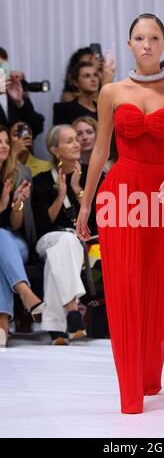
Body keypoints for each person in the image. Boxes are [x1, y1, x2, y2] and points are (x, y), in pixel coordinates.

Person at [76, 13, 164, 414]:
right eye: (139, 38)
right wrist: (86, 202)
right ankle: (130, 394)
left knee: (158, 285)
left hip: (163, 197)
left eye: (154, 38)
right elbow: (99, 151)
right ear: (130, 44)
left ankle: (148, 376)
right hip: (120, 194)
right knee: (124, 285)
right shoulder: (111, 91)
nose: (146, 44)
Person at [32, 125, 101, 345]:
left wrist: (78, 189)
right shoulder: (42, 180)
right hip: (49, 238)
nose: (77, 144)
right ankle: (72, 308)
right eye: (69, 141)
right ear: (55, 150)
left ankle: (57, 330)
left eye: (76, 140)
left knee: (60, 255)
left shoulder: (92, 175)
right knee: (64, 241)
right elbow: (43, 224)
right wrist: (61, 195)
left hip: (79, 241)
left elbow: (98, 221)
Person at [0, 125, 44, 347]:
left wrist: (17, 204)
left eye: (7, 141)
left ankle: (2, 323)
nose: (5, 146)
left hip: (13, 243)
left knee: (1, 236)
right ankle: (24, 293)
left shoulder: (18, 173)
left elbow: (15, 224)